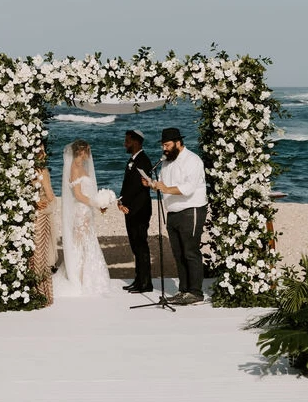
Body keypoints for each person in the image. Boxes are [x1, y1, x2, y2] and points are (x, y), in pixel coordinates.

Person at [149, 128, 208, 306]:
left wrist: (165, 188)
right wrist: (152, 184)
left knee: (190, 252)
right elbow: (163, 183)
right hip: (172, 212)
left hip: (191, 210)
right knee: (178, 253)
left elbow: (188, 188)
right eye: (163, 145)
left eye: (167, 145)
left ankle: (196, 292)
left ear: (177, 142)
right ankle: (183, 291)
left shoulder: (192, 160)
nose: (164, 148)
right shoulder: (167, 162)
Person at [53, 139, 111, 296]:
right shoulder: (75, 168)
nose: (89, 153)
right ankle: (77, 278)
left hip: (87, 210)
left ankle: (85, 277)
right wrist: (95, 203)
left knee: (87, 242)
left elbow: (87, 192)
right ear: (82, 151)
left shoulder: (82, 166)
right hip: (81, 211)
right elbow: (78, 195)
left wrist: (98, 202)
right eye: (88, 150)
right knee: (80, 244)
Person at [117, 129, 154, 293]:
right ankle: (139, 280)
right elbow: (127, 185)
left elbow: (139, 188)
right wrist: (120, 200)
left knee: (141, 246)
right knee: (135, 247)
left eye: (128, 140)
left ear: (136, 142)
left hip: (139, 210)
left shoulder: (144, 161)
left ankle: (146, 283)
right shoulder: (132, 160)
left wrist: (129, 205)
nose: (125, 144)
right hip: (131, 210)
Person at [29, 144, 57, 305]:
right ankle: (44, 293)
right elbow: (50, 195)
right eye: (41, 151)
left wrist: (34, 201)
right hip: (42, 216)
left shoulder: (27, 172)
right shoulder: (42, 172)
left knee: (33, 255)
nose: (44, 154)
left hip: (32, 215)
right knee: (42, 255)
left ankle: (34, 291)